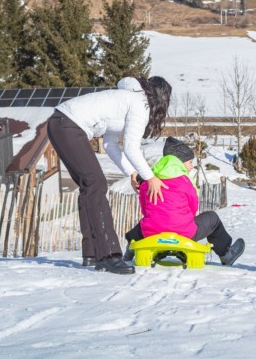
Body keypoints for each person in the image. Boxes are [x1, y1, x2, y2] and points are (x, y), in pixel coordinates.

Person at [47, 76, 172, 275]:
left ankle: (92, 253)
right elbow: (132, 148)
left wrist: (131, 173)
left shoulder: (123, 100)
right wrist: (149, 177)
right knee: (96, 184)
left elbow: (109, 145)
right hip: (69, 125)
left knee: (89, 186)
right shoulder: (140, 104)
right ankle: (109, 255)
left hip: (60, 123)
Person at [124, 137, 245, 266]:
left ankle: (130, 250)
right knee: (212, 218)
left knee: (144, 223)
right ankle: (226, 254)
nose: (191, 167)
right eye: (190, 162)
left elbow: (145, 209)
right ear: (180, 162)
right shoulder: (186, 182)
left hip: (152, 232)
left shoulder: (148, 179)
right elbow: (193, 207)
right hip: (184, 232)